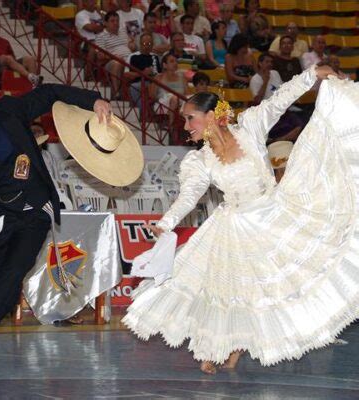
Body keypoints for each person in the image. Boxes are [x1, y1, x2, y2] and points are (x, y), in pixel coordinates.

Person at [123, 64, 358, 375]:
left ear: (211, 116)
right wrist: (165, 223)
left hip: (273, 214)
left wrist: (312, 73)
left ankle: (235, 349)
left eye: (189, 118)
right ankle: (221, 348)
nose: (185, 125)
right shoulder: (198, 160)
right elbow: (189, 196)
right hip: (236, 226)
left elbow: (280, 99)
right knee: (231, 292)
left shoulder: (250, 127)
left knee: (273, 287)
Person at [0, 80, 111, 365]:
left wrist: (93, 100)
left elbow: (49, 93)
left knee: (11, 276)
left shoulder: (9, 113)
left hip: (34, 215)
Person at [250, 53, 303, 143]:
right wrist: (265, 81)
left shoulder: (275, 73)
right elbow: (257, 100)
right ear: (260, 63)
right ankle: (280, 141)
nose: (270, 64)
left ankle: (280, 140)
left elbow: (282, 89)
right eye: (267, 62)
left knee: (301, 123)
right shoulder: (255, 79)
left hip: (281, 109)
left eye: (271, 62)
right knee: (289, 128)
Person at [0, 15, 41, 88]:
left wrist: (9, 60)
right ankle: (31, 77)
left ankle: (34, 86)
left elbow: (13, 58)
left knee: (30, 59)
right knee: (6, 58)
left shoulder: (5, 41)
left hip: (7, 63)